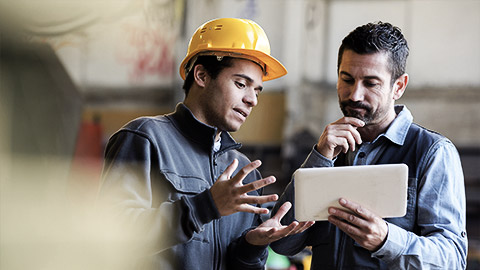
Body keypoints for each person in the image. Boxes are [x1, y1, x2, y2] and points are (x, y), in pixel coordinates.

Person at [97, 18, 314, 270]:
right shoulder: (146, 138)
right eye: (241, 84)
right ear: (201, 75)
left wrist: (252, 248)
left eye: (257, 90)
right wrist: (205, 207)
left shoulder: (243, 171)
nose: (251, 100)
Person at [270, 21, 468, 269]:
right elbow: (282, 243)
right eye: (347, 79)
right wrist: (320, 158)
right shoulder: (327, 150)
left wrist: (386, 239)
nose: (354, 95)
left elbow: (452, 260)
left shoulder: (432, 152)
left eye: (371, 83)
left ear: (399, 86)